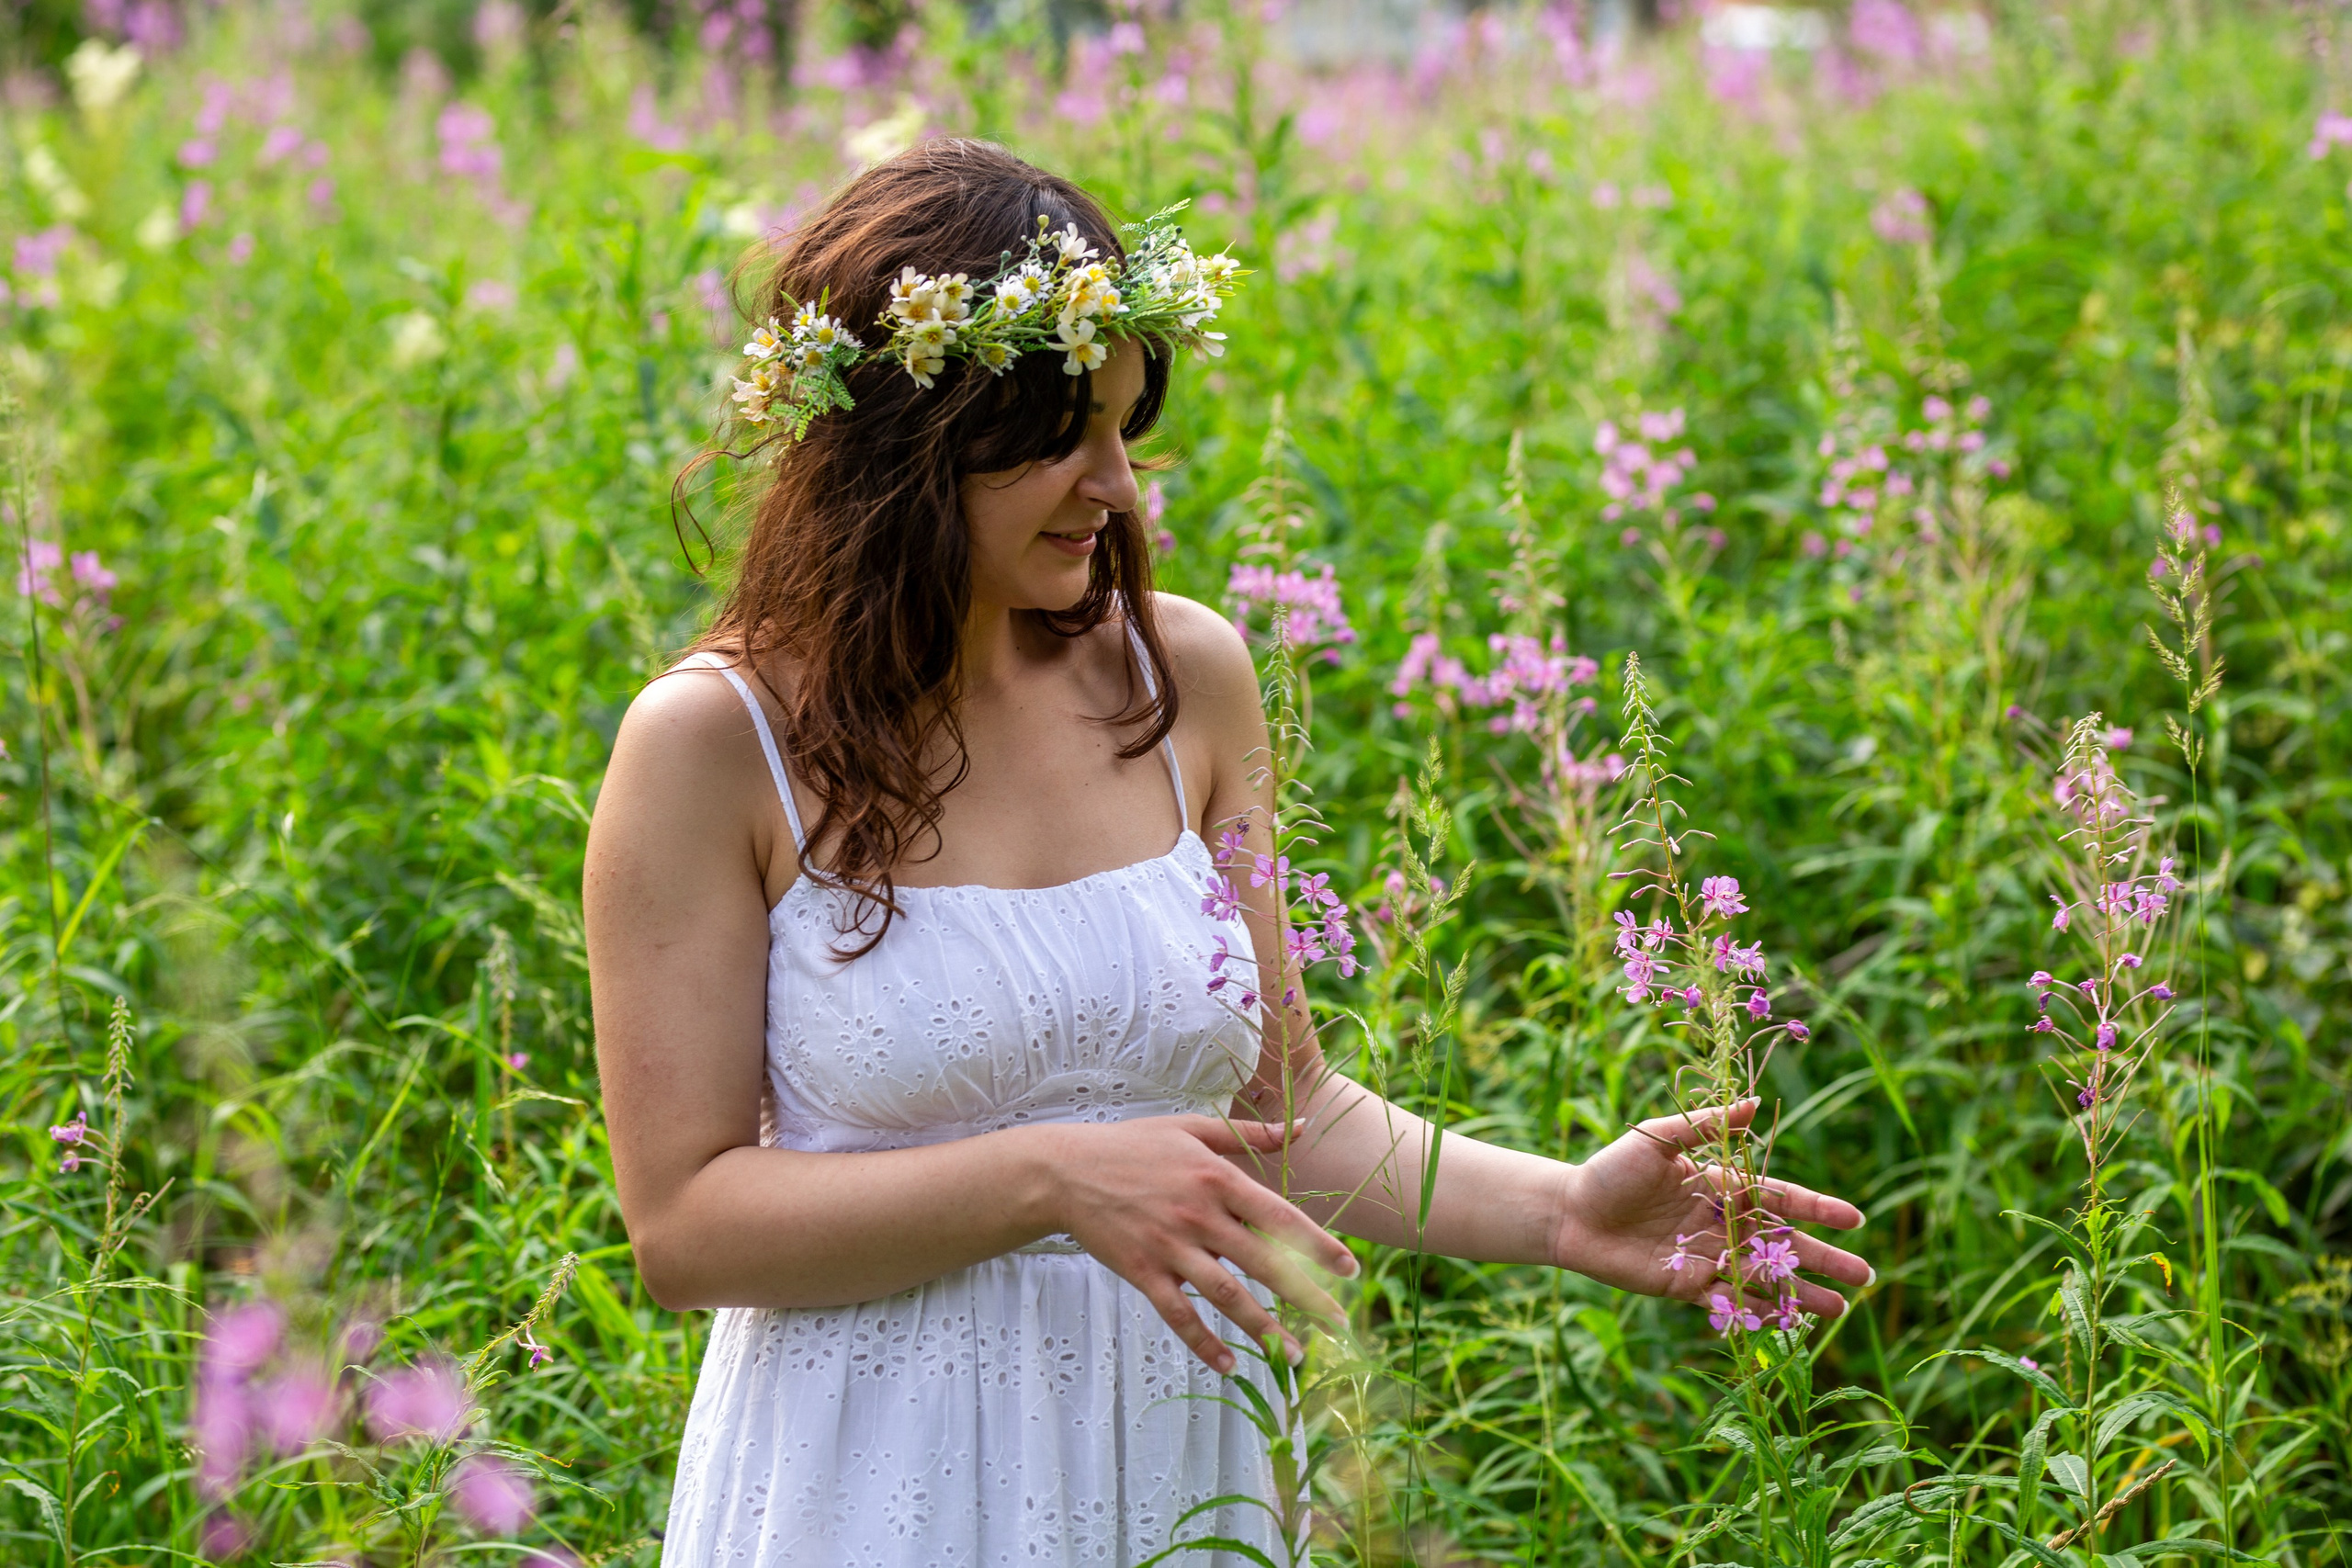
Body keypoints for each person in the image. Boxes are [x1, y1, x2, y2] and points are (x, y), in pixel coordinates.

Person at [583, 139, 1872, 1566]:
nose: (1118, 488)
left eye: (1129, 429)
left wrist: (1562, 1210)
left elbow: (1289, 1112)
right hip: (881, 1468)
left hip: (1179, 1445)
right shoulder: (713, 745)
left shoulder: (1183, 680)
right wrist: (1052, 1180)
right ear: (908, 443)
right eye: (1064, 440)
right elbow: (685, 1223)